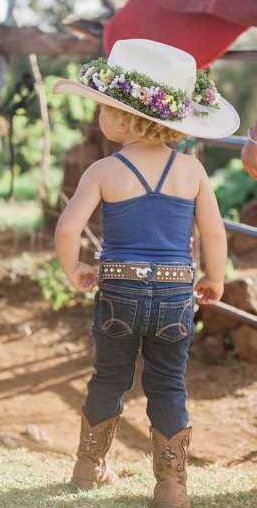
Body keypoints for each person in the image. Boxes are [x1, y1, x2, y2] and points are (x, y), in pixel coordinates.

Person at [52, 39, 239, 507]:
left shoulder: (102, 170)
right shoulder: (192, 171)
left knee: (108, 376)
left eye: (103, 109)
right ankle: (171, 486)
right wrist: (214, 278)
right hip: (175, 295)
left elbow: (68, 227)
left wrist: (72, 266)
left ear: (122, 120)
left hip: (118, 289)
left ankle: (87, 467)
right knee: (168, 382)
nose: (100, 116)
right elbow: (214, 235)